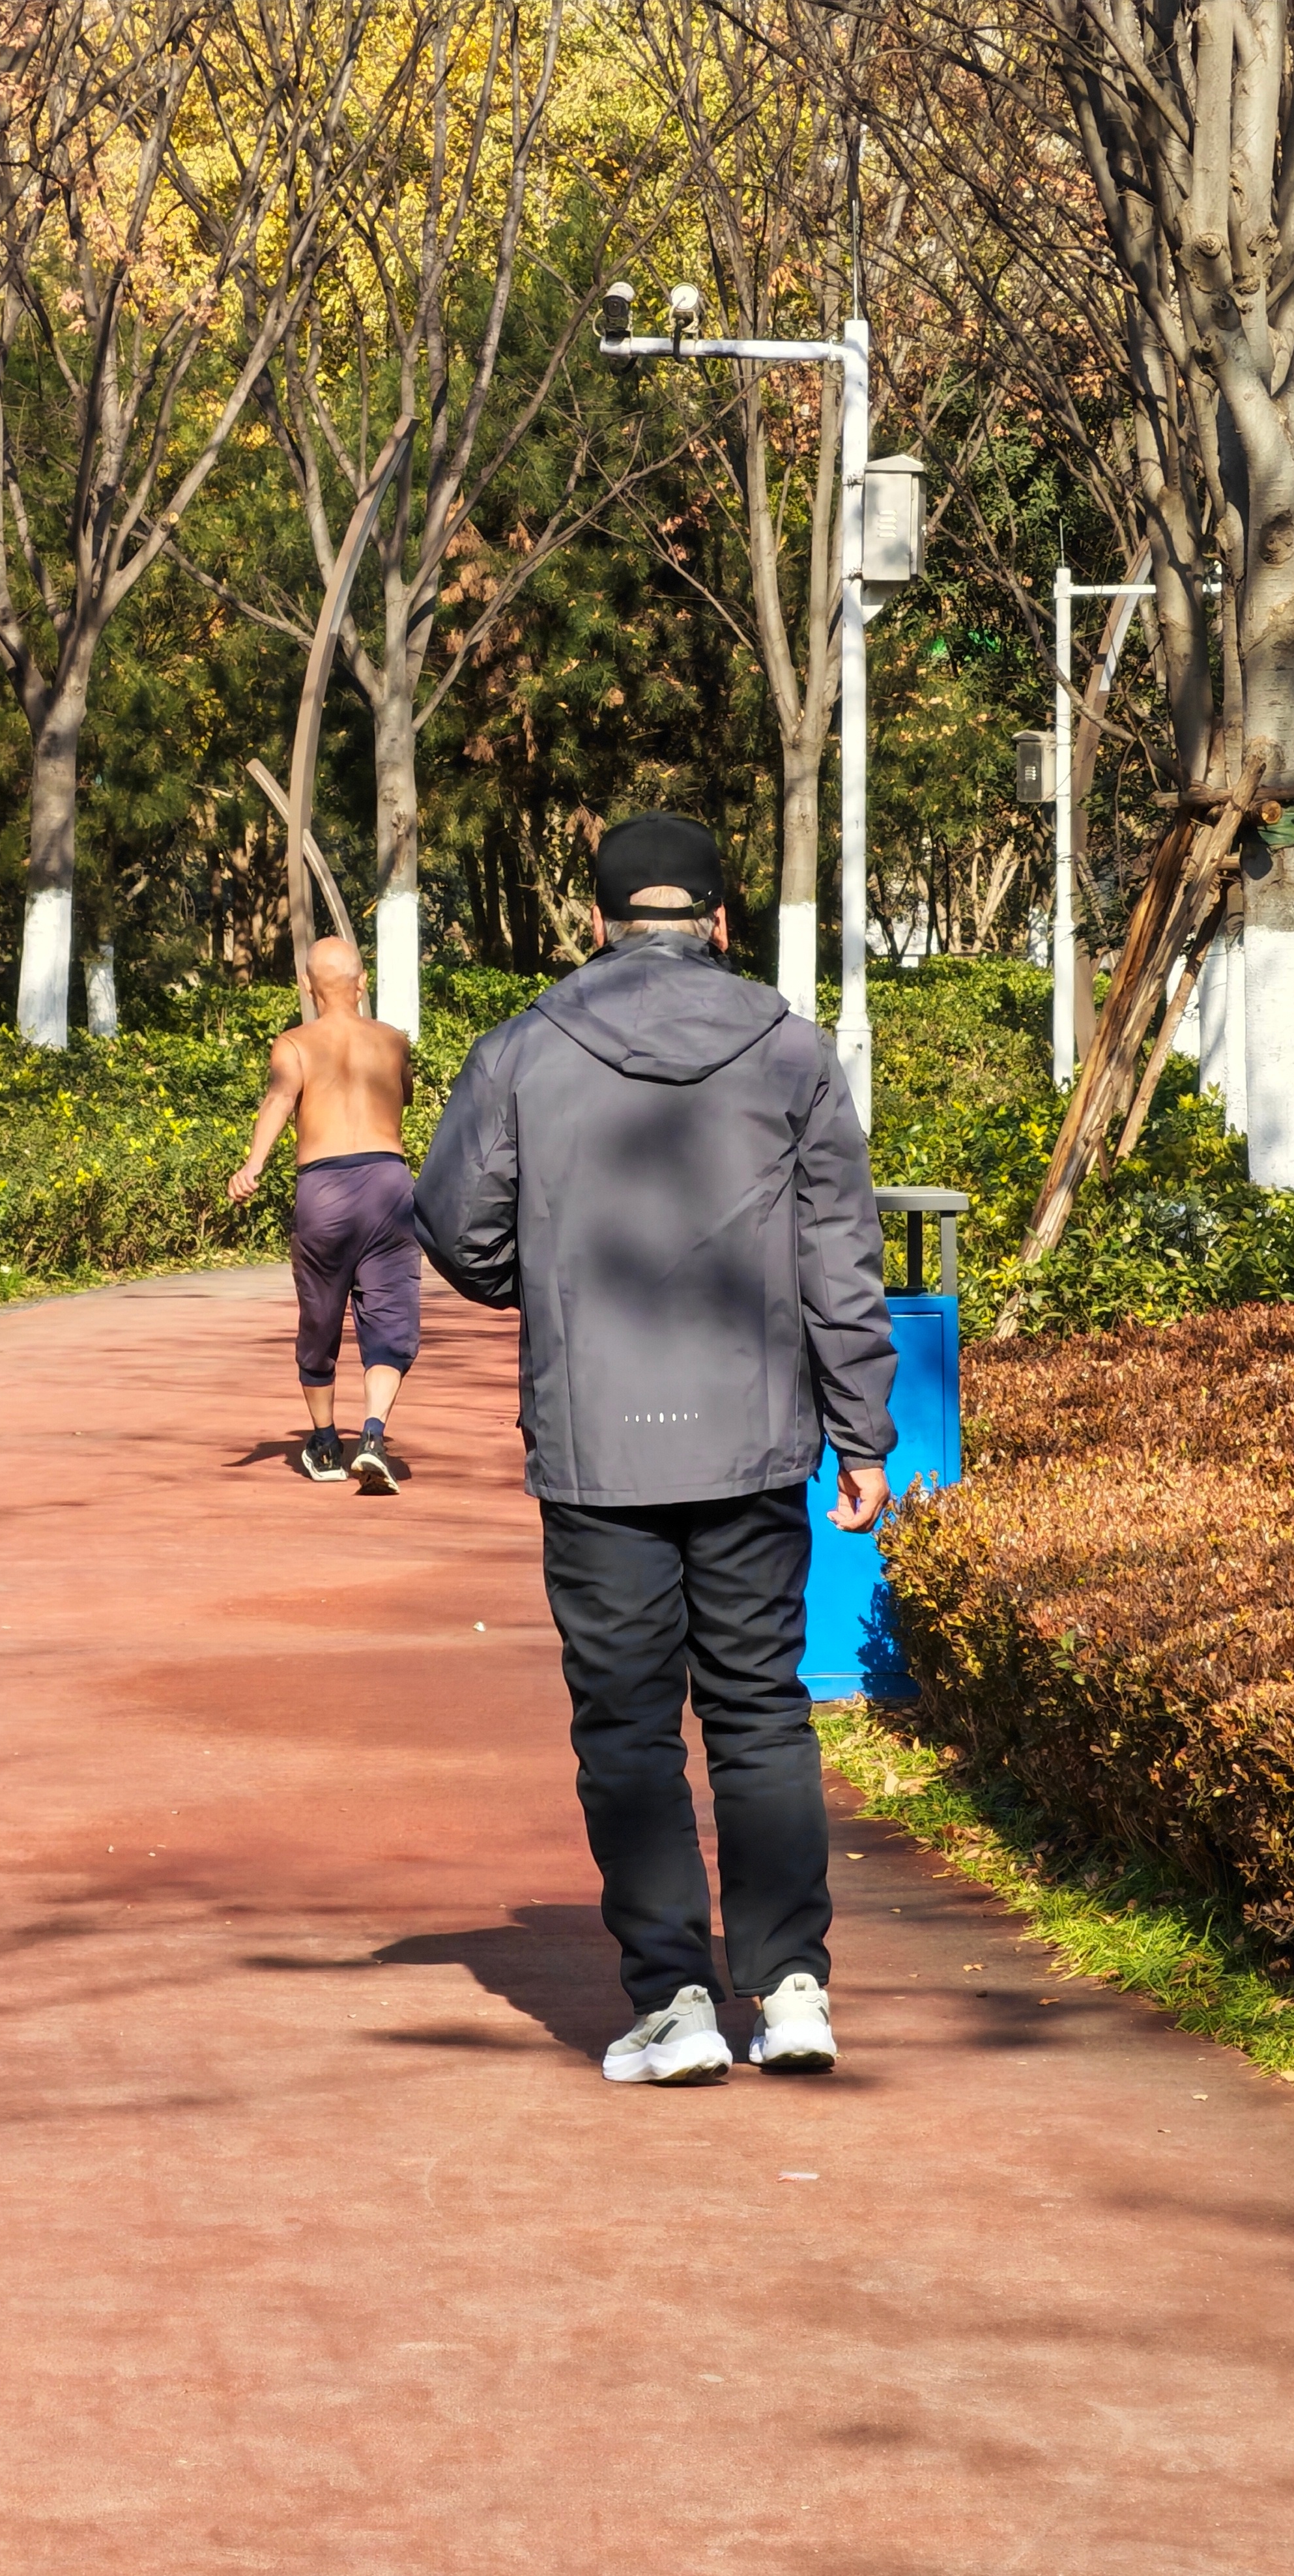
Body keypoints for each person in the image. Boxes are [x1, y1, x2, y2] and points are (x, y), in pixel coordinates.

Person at [414, 814, 897, 2083]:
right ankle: (791, 1986)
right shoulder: (791, 1046)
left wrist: (551, 1280)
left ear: (597, 923)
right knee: (759, 1711)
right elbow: (840, 1256)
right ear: (722, 922)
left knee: (627, 1726)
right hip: (754, 1439)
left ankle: (676, 1999)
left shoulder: (524, 1047)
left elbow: (456, 1222)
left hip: (596, 1445)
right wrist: (863, 1431)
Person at [228, 938, 419, 1493]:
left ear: (308, 989)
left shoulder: (293, 1044)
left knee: (320, 1315)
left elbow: (279, 1102)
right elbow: (402, 1097)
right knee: (390, 1316)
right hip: (389, 1183)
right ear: (363, 983)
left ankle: (326, 1441)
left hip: (325, 1189)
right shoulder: (393, 1041)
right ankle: (375, 1435)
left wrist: (252, 1167)